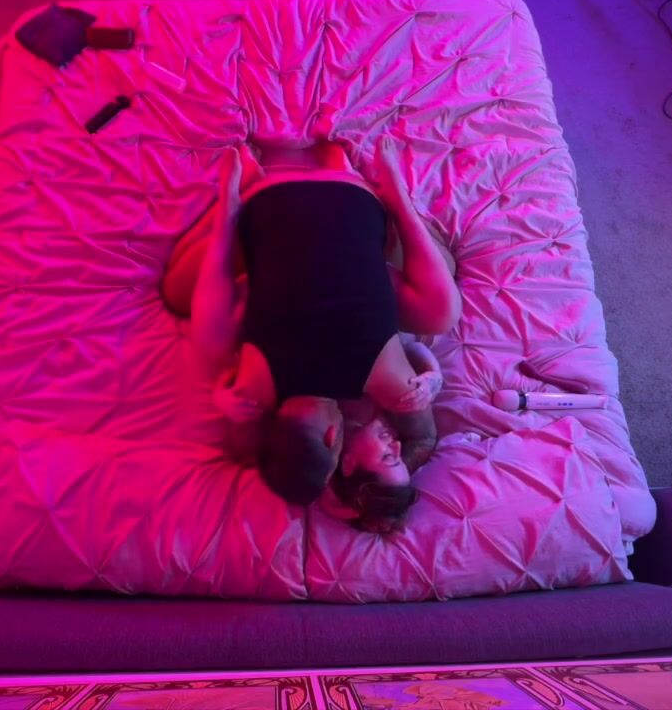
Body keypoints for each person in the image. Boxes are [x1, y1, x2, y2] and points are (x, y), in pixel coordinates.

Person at [161, 136, 460, 522]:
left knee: (441, 311)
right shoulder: (253, 388)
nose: (396, 447)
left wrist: (430, 381)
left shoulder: (391, 384)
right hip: (267, 198)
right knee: (209, 337)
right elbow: (243, 450)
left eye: (389, 456)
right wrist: (225, 396)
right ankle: (231, 209)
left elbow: (425, 435)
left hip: (356, 195)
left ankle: (395, 197)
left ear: (335, 441)